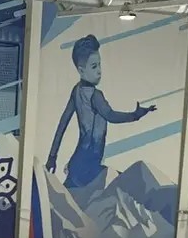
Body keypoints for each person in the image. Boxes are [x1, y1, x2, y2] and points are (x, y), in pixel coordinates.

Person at [46, 34, 156, 191]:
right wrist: (135, 115)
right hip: (88, 167)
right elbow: (110, 115)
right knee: (131, 185)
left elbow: (62, 124)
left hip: (79, 164)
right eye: (94, 67)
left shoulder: (76, 91)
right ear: (81, 70)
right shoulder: (95, 95)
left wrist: (52, 157)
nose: (99, 71)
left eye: (99, 65)